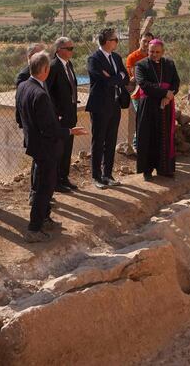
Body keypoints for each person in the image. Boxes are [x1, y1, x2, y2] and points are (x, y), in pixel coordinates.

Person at [17, 51, 87, 242]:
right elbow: (49, 129)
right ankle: (34, 228)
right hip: (45, 147)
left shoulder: (23, 86)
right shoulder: (39, 94)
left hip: (34, 143)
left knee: (42, 183)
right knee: (45, 188)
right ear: (46, 69)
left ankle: (44, 218)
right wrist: (70, 131)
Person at [86, 28, 129, 188]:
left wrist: (114, 77)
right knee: (98, 141)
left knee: (111, 140)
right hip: (99, 105)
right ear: (105, 41)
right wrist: (118, 78)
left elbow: (126, 78)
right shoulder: (94, 59)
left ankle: (107, 174)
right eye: (114, 39)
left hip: (115, 103)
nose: (117, 42)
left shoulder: (116, 58)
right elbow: (103, 81)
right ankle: (96, 176)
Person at [135, 39, 180, 180]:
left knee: (164, 136)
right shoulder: (141, 65)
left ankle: (164, 168)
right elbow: (143, 84)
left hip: (165, 106)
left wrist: (170, 95)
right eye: (151, 51)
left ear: (163, 52)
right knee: (147, 137)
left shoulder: (169, 64)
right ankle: (147, 171)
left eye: (157, 52)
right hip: (148, 105)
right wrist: (164, 93)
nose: (154, 54)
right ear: (147, 51)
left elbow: (176, 82)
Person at [45, 36, 79, 193]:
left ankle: (64, 178)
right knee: (58, 149)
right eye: (69, 48)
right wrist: (55, 113)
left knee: (67, 148)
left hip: (70, 113)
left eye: (72, 48)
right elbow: (48, 92)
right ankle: (56, 181)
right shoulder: (53, 66)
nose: (72, 51)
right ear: (59, 50)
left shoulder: (68, 64)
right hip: (59, 116)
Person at [126, 32, 154, 150]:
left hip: (152, 93)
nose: (147, 44)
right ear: (139, 41)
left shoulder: (153, 56)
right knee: (142, 118)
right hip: (137, 94)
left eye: (149, 42)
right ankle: (137, 145)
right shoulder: (133, 57)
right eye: (144, 41)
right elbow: (134, 77)